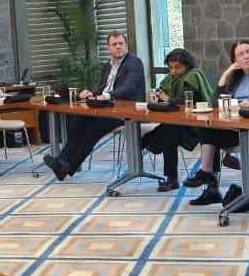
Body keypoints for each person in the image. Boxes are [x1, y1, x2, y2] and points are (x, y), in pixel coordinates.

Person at [186, 40, 249, 205]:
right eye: (241, 54)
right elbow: (215, 104)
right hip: (234, 128)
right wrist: (224, 77)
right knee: (207, 127)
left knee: (209, 134)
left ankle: (207, 176)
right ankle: (210, 185)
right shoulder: (235, 78)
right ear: (235, 61)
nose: (246, 56)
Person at [41, 31, 145, 180]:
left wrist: (107, 96)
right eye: (114, 44)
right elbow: (101, 88)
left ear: (126, 45)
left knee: (93, 128)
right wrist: (90, 93)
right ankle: (62, 162)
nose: (118, 47)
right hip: (104, 107)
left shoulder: (134, 62)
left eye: (121, 43)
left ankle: (68, 166)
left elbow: (128, 88)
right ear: (108, 48)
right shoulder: (107, 66)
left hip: (125, 111)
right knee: (79, 121)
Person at [142, 48, 212, 192]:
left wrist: (167, 98)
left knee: (166, 133)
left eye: (178, 67)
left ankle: (170, 177)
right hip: (177, 124)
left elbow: (186, 100)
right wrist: (156, 96)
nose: (174, 70)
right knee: (168, 131)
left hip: (196, 125)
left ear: (187, 65)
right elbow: (159, 91)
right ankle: (170, 177)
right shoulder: (171, 78)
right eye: (171, 67)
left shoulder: (193, 75)